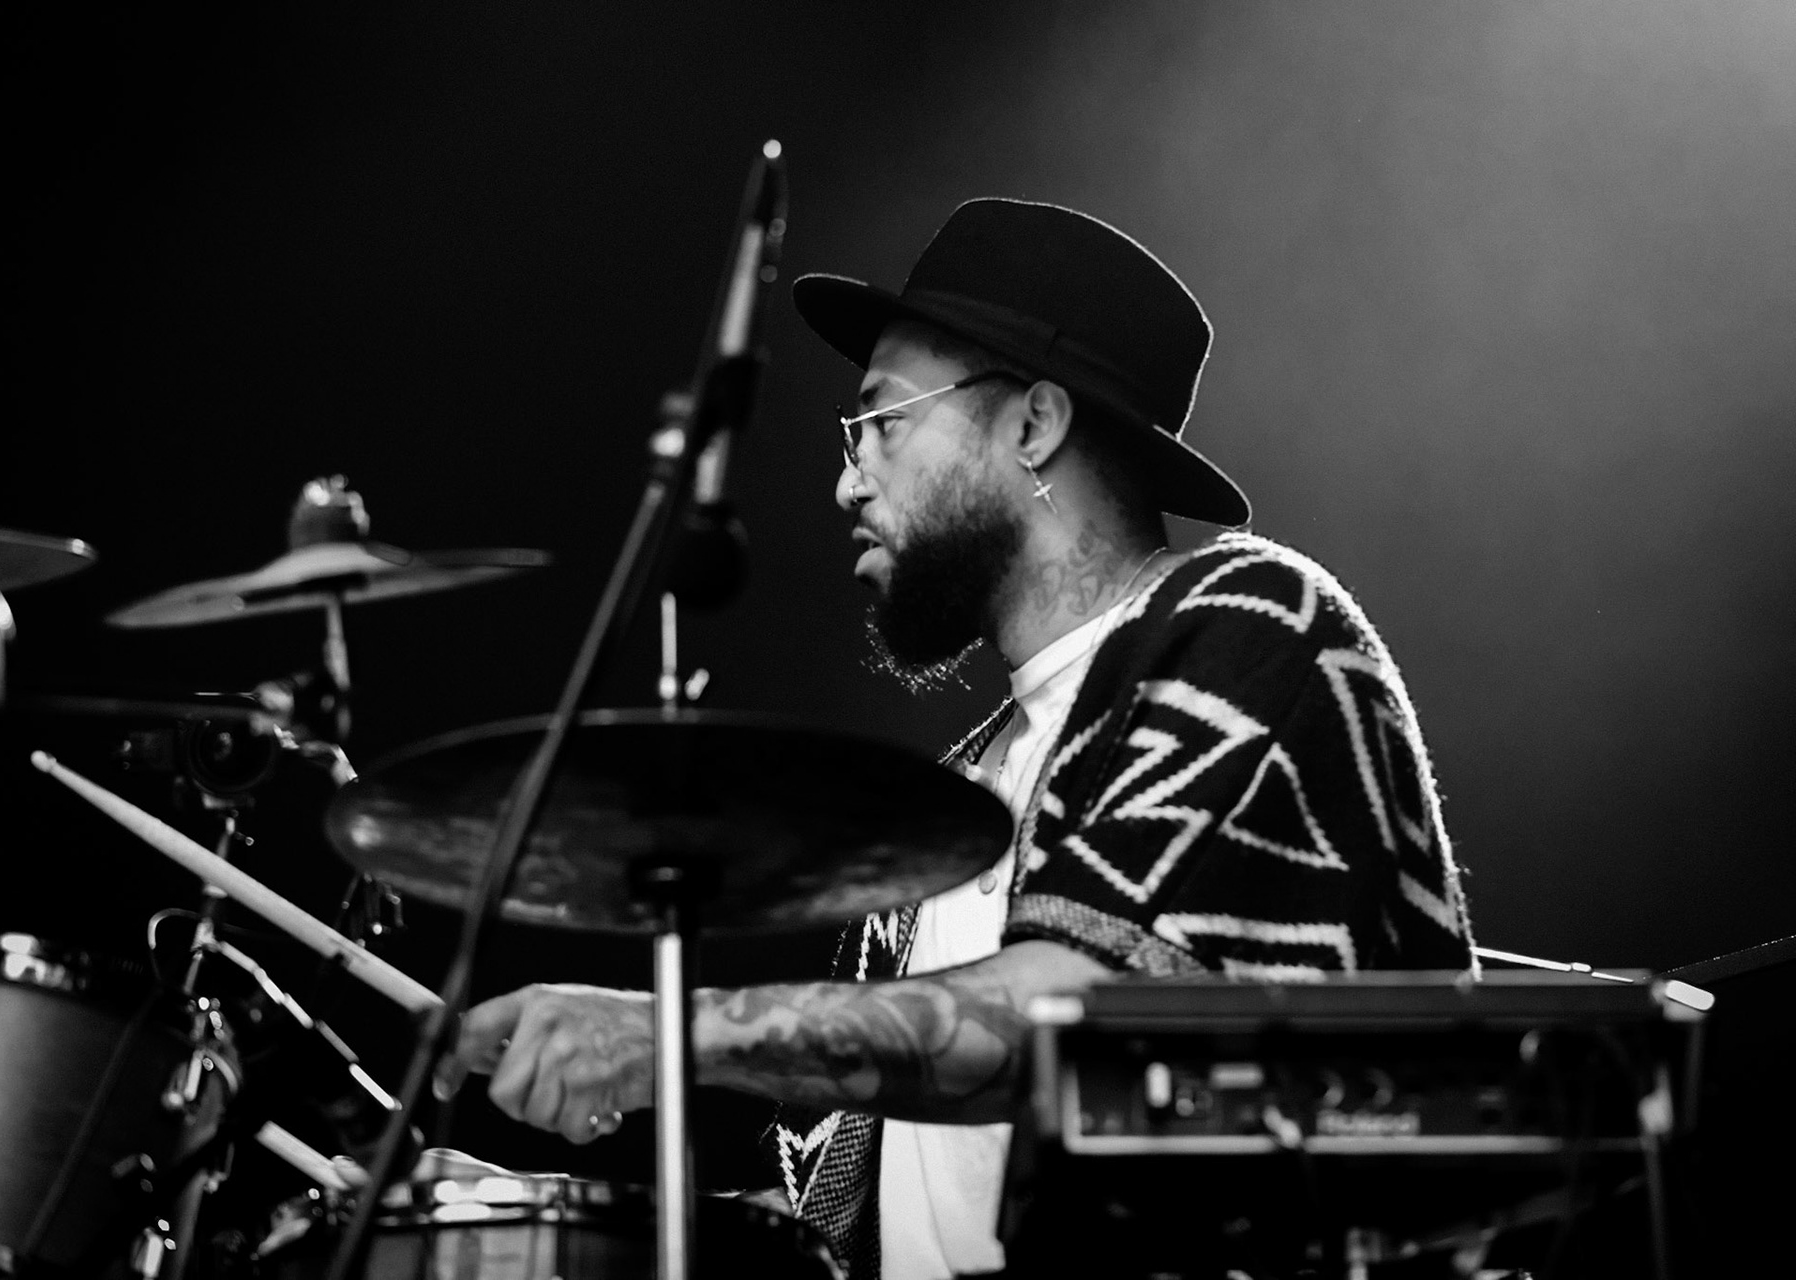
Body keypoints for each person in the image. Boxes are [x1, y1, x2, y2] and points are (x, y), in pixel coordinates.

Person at [432, 198, 1476, 1280]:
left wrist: (668, 1034)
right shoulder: (963, 794)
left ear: (1033, 425)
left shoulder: (1255, 623)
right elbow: (836, 1227)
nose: (847, 478)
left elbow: (1064, 1022)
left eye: (882, 422)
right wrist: (540, 1222)